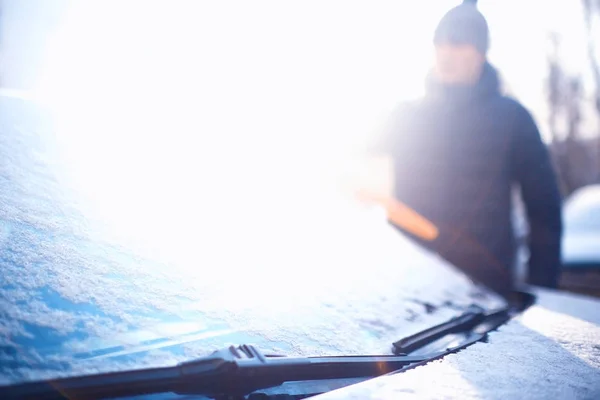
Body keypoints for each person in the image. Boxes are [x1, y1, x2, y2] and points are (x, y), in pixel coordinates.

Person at [367, 2, 563, 297]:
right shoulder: (404, 116)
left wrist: (540, 291)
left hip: (486, 295)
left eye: (457, 43)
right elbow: (347, 175)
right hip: (407, 294)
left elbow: (543, 209)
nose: (446, 52)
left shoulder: (513, 119)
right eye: (439, 43)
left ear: (480, 53)